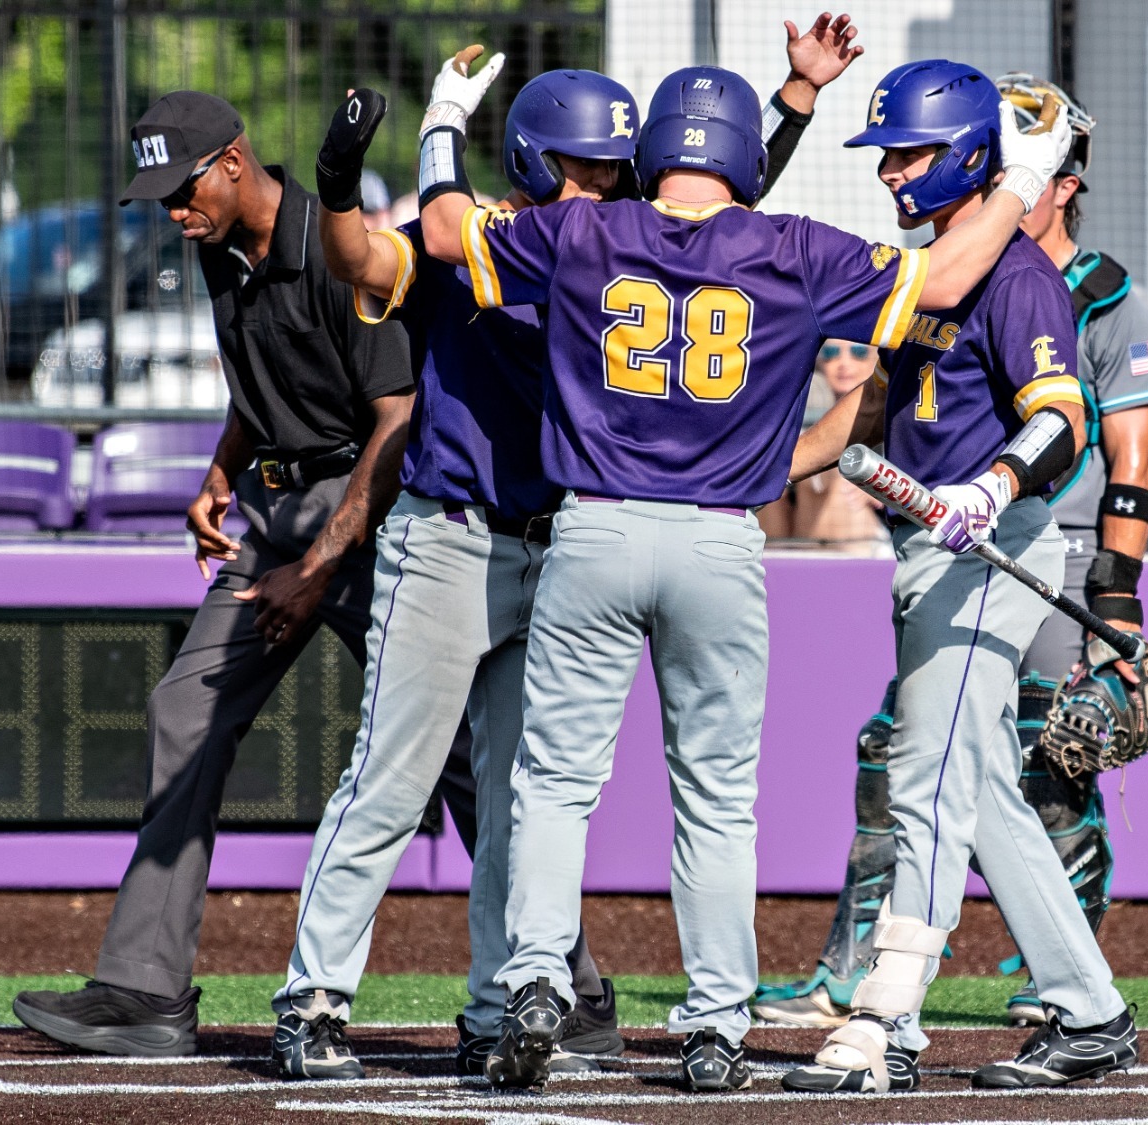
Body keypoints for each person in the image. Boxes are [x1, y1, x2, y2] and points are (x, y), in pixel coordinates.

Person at [414, 51, 1067, 1092]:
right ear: (741, 159)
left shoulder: (583, 227)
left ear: (644, 150)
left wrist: (442, 122)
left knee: (552, 784)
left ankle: (534, 974)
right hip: (721, 539)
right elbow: (944, 278)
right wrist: (1023, 180)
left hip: (592, 528)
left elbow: (445, 230)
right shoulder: (793, 248)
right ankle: (715, 1021)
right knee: (715, 799)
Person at [270, 14, 867, 1082]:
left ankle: (499, 1005)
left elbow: (722, 215)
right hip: (452, 535)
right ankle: (313, 997)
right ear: (540, 162)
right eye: (587, 168)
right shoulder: (519, 232)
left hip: (563, 549)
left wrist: (788, 105)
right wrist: (339, 175)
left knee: (516, 797)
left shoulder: (595, 237)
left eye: (614, 169)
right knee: (393, 781)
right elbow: (361, 252)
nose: (603, 185)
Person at [752, 72, 1148, 1033]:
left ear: (977, 160)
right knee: (975, 785)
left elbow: (1068, 422)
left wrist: (1000, 495)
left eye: (912, 154)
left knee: (930, 768)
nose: (892, 173)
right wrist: (752, 471)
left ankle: (885, 1013)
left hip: (992, 545)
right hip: (930, 549)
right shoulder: (928, 262)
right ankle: (1088, 1003)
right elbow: (864, 412)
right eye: (889, 155)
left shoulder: (1028, 280)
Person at [10, 90, 414, 1057]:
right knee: (183, 711)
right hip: (276, 519)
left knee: (452, 752)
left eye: (180, 187)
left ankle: (564, 989)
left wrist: (319, 567)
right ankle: (146, 991)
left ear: (234, 162)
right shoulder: (215, 243)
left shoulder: (336, 240)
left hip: (371, 516)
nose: (169, 210)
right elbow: (264, 383)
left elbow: (397, 420)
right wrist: (221, 471)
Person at [760, 340, 889, 548]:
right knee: (765, 482)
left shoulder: (897, 419)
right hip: (797, 535)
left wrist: (883, 491)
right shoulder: (804, 416)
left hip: (868, 537)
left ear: (878, 359)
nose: (843, 363)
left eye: (858, 352)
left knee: (842, 479)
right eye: (831, 353)